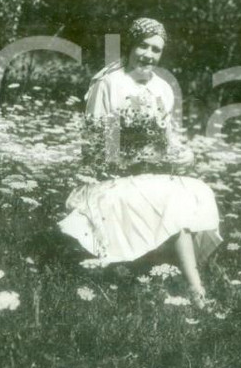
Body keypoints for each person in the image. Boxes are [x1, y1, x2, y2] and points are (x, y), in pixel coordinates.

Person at [58, 17, 222, 307]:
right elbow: (95, 144)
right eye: (143, 46)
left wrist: (184, 155)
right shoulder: (107, 83)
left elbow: (168, 137)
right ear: (129, 46)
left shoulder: (162, 88)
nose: (148, 55)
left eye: (156, 50)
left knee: (195, 191)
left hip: (151, 174)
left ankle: (177, 281)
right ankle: (195, 290)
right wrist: (134, 159)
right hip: (110, 176)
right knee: (168, 199)